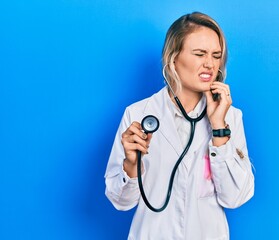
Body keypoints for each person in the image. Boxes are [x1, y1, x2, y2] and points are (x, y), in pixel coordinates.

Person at [104, 12, 254, 240]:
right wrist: (131, 164)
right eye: (199, 54)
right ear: (173, 57)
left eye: (216, 55)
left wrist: (218, 128)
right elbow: (121, 202)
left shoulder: (230, 117)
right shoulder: (138, 115)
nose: (209, 64)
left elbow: (234, 198)